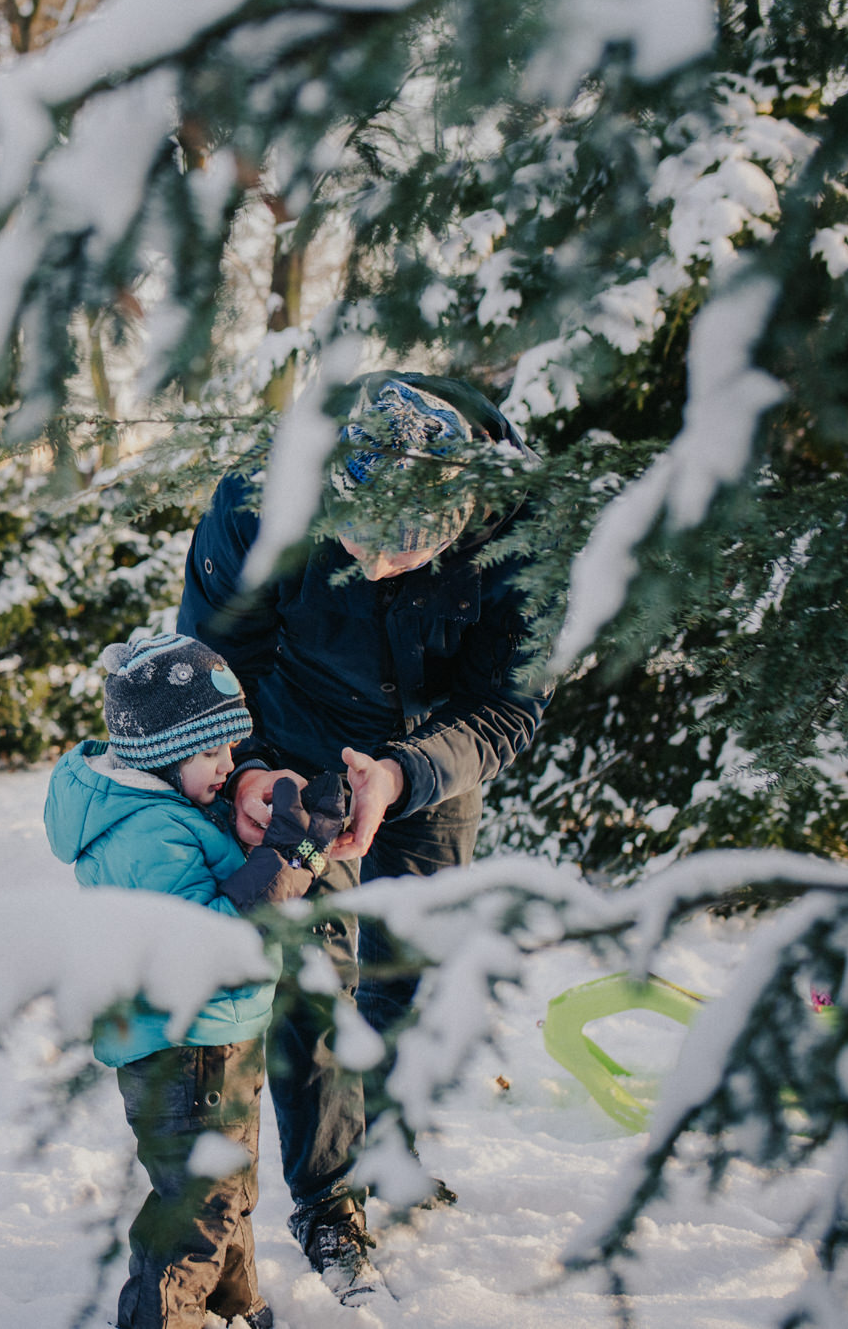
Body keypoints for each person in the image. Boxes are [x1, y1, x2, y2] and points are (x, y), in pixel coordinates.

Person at [175, 373, 551, 1296]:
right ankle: (330, 1198)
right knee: (318, 977)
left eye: (411, 543)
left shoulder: (533, 539)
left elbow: (508, 706)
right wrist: (255, 768)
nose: (381, 562)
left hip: (426, 757)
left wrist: (403, 774)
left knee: (408, 972)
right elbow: (218, 660)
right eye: (362, 538)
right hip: (295, 741)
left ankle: (393, 1142)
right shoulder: (256, 506)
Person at [44, 633, 348, 1329]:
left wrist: (300, 845)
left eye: (231, 749)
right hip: (186, 1049)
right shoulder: (145, 835)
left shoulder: (164, 811)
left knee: (226, 1190)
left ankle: (233, 1310)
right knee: (198, 1208)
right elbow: (212, 940)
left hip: (213, 1039)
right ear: (159, 751)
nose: (229, 766)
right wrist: (285, 854)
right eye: (213, 753)